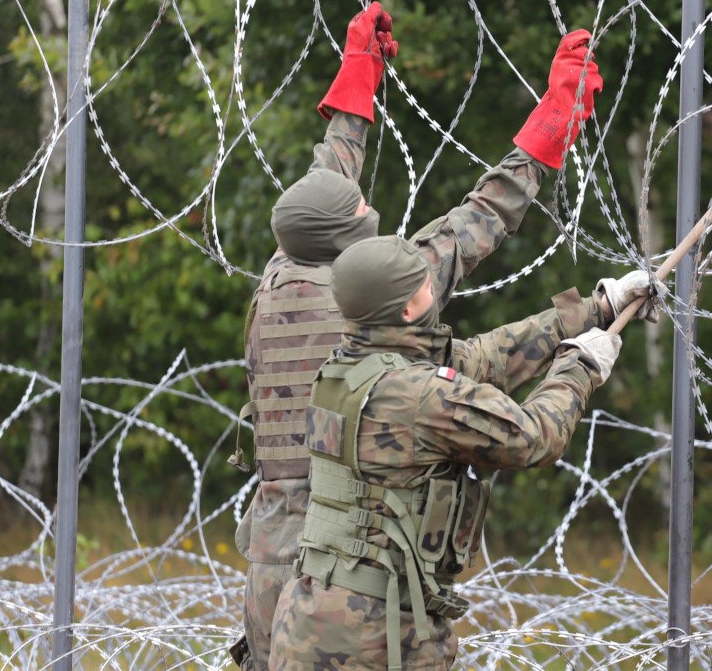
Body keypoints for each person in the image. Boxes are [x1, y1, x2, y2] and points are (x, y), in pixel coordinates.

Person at [230, 3, 607, 670]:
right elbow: (483, 215)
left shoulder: (282, 272)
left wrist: (357, 77)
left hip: (272, 563)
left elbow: (328, 184)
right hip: (346, 575)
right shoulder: (375, 295)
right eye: (363, 219)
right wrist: (552, 120)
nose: (370, 215)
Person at [267, 235, 658, 670]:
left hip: (311, 619)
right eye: (424, 284)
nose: (433, 287)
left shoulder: (347, 367)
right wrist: (579, 367)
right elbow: (534, 438)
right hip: (374, 637)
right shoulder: (418, 395)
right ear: (406, 310)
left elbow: (487, 356)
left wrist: (597, 308)